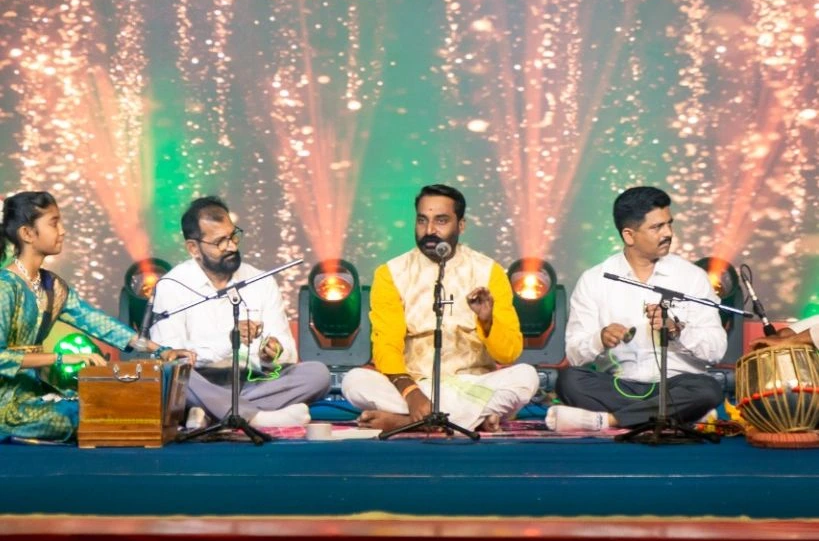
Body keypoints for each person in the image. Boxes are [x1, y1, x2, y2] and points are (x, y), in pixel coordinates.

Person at [341, 183, 539, 433]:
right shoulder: (391, 273)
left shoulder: (490, 272)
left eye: (441, 221)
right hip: (415, 385)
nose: (429, 230)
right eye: (422, 220)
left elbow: (509, 355)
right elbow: (386, 345)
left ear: (461, 225)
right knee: (354, 382)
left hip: (473, 385)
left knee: (526, 377)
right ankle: (470, 420)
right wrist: (412, 393)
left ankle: (408, 423)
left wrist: (487, 321)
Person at [0, 190, 193, 443]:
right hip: (7, 404)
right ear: (27, 233)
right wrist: (60, 358)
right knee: (83, 414)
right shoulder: (5, 287)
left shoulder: (52, 286)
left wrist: (160, 350)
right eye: (54, 223)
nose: (62, 231)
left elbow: (100, 324)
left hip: (36, 392)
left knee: (103, 405)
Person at [551, 185, 726, 432]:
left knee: (708, 389)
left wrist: (677, 331)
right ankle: (675, 414)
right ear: (629, 236)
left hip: (677, 385)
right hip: (622, 386)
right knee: (569, 382)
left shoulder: (692, 277)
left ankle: (609, 421)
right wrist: (600, 339)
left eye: (669, 224)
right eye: (657, 227)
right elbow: (575, 355)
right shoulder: (595, 280)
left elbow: (716, 350)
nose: (668, 233)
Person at [150, 195, 331, 429]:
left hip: (254, 383)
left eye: (233, 235)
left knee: (317, 374)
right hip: (200, 382)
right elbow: (171, 356)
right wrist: (229, 341)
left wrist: (272, 353)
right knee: (172, 373)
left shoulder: (261, 281)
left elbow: (288, 354)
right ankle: (257, 418)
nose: (232, 246)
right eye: (220, 242)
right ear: (194, 248)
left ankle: (210, 412)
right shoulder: (171, 286)